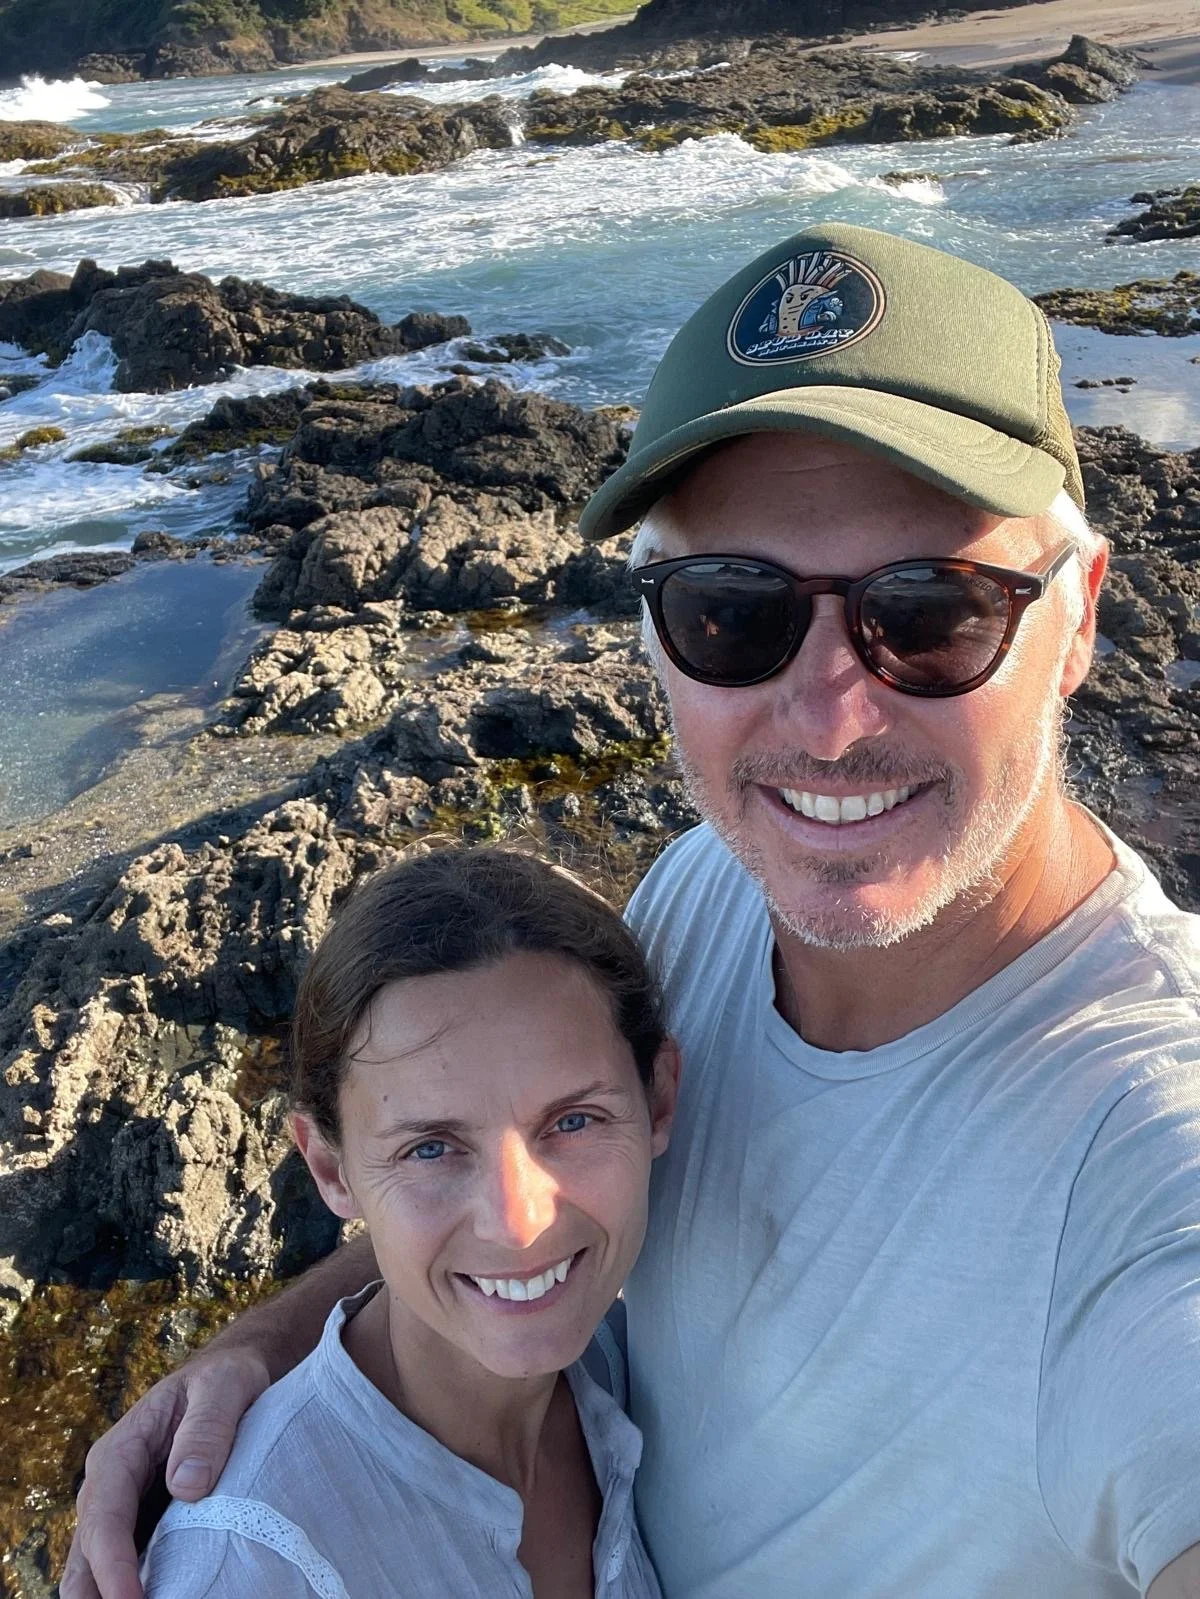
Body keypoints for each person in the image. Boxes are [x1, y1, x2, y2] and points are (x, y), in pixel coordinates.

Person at [66, 221, 1200, 1599]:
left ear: (1078, 616)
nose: (831, 719)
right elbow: (527, 1195)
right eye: (732, 608)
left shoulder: (1151, 1166)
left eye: (933, 608)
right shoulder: (709, 896)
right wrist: (274, 1346)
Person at [140, 845, 675, 1597]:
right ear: (331, 1170)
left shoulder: (615, 1371)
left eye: (574, 1121)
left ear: (658, 1101)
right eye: (430, 1147)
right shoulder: (254, 1566)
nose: (519, 1224)